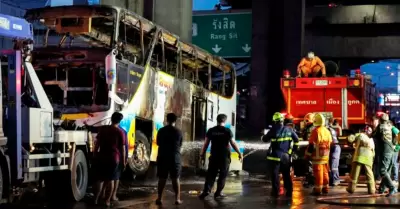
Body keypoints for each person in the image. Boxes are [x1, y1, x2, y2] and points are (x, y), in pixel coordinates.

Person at [199, 114, 243, 199]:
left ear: (217, 120)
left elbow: (206, 144)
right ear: (225, 121)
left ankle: (206, 191)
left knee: (211, 174)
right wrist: (239, 153)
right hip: (224, 157)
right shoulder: (227, 131)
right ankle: (218, 192)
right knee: (223, 175)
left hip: (214, 156)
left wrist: (202, 155)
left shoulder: (211, 130)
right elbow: (233, 143)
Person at [262, 112, 299, 197]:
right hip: (286, 157)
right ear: (282, 120)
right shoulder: (289, 129)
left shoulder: (273, 130)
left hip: (275, 157)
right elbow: (296, 140)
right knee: (286, 175)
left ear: (275, 121)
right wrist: (292, 151)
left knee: (275, 175)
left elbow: (265, 139)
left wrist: (263, 136)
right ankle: (289, 191)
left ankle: (276, 192)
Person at [94, 112, 126, 207]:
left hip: (102, 156)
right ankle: (107, 200)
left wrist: (95, 154)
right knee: (111, 179)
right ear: (119, 121)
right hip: (113, 158)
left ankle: (95, 199)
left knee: (100, 179)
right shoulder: (120, 132)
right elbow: (123, 149)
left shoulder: (103, 129)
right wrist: (123, 162)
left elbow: (97, 144)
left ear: (111, 118)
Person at [155, 113, 183, 205]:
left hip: (163, 156)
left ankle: (159, 198)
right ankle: (177, 199)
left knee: (162, 178)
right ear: (175, 121)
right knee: (175, 178)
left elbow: (158, 143)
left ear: (167, 120)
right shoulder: (178, 132)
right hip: (175, 157)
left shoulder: (161, 131)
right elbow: (180, 145)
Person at [305, 113, 332, 195]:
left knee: (318, 172)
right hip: (325, 156)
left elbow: (311, 145)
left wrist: (307, 155)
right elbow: (330, 143)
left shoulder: (315, 131)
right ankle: (325, 188)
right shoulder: (327, 131)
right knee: (325, 172)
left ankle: (317, 189)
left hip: (317, 157)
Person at [346, 126, 375, 194]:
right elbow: (373, 152)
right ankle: (372, 190)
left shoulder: (360, 135)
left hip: (359, 157)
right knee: (369, 174)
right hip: (368, 158)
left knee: (355, 174)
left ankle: (351, 189)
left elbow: (350, 139)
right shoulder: (371, 140)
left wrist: (349, 138)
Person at [375, 113, 397, 196]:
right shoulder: (391, 127)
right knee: (387, 170)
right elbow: (397, 135)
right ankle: (382, 188)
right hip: (391, 151)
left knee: (383, 170)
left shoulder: (380, 127)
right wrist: (396, 146)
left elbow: (373, 135)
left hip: (384, 151)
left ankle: (392, 187)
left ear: (380, 120)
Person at [302, 113, 315, 188]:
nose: (306, 122)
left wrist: (308, 153)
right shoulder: (310, 127)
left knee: (310, 165)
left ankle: (311, 182)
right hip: (312, 149)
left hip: (310, 149)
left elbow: (308, 139)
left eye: (307, 120)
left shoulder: (310, 128)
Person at [327, 118, 341, 186]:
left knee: (333, 165)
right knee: (332, 164)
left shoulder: (328, 129)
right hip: (334, 146)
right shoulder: (332, 129)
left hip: (334, 146)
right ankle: (332, 179)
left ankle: (335, 180)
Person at [371, 116, 381, 184]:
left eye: (375, 121)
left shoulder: (379, 129)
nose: (374, 123)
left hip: (378, 148)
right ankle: (374, 177)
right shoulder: (374, 130)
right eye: (373, 122)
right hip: (374, 148)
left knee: (377, 162)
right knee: (374, 162)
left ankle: (377, 177)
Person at [389, 121, 400, 186]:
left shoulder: (394, 129)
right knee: (393, 163)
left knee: (394, 163)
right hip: (395, 148)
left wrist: (395, 145)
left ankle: (395, 179)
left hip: (395, 149)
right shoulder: (393, 129)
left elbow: (398, 136)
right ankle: (394, 178)